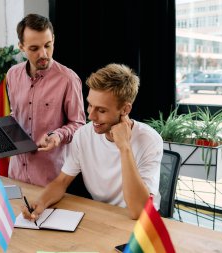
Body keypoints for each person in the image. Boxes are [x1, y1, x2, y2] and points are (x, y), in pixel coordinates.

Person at [21, 63, 163, 220]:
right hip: (103, 216)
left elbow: (138, 212)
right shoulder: (83, 135)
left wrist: (124, 148)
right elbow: (61, 182)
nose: (91, 116)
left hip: (142, 224)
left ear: (125, 110)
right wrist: (41, 202)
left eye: (101, 110)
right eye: (90, 105)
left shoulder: (150, 140)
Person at [4, 14, 86, 186]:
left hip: (52, 181)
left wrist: (58, 135)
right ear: (21, 47)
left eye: (48, 46)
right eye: (34, 48)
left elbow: (79, 124)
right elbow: (15, 115)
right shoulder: (12, 75)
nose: (44, 54)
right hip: (15, 174)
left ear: (53, 40)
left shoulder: (68, 79)